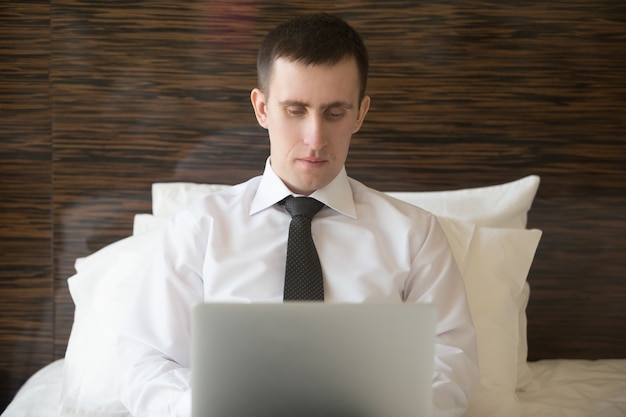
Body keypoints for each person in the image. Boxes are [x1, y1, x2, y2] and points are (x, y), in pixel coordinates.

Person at [116, 12, 479, 417]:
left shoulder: (415, 234)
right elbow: (146, 362)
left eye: (335, 113)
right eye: (295, 110)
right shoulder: (199, 229)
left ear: (359, 113)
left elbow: (450, 359)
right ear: (262, 108)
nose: (315, 138)